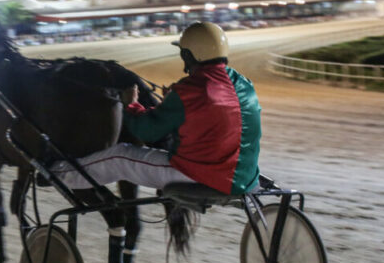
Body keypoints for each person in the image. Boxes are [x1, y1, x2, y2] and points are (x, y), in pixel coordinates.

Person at [50, 21, 261, 196]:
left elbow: (146, 131)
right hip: (245, 175)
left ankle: (56, 174)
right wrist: (173, 105)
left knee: (119, 156)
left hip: (203, 175)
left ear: (189, 56)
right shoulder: (245, 84)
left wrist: (131, 104)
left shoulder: (190, 89)